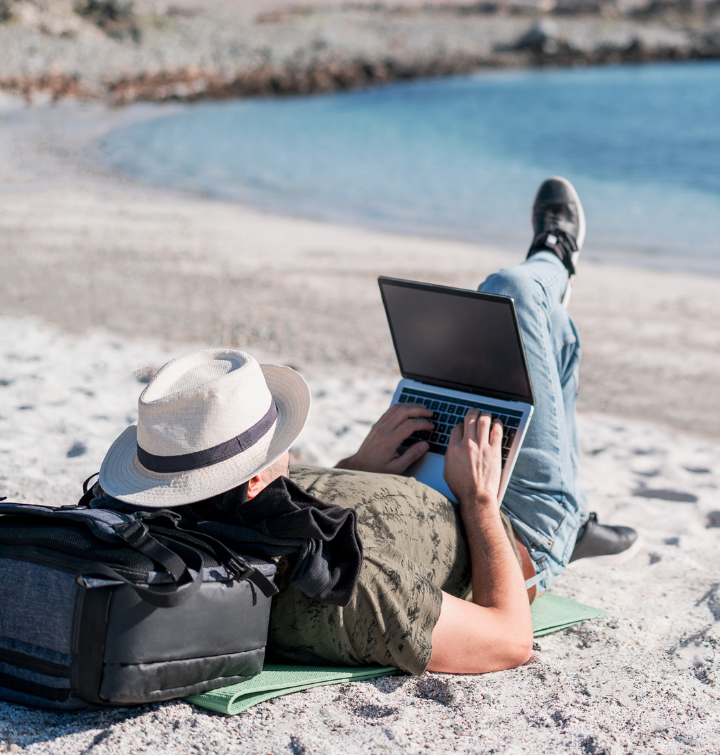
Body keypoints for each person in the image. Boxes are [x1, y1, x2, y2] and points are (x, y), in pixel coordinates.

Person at [89, 178, 636, 675]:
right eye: (274, 435)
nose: (286, 442)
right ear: (254, 479)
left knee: (534, 335)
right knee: (515, 293)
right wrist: (480, 503)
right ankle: (554, 257)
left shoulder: (197, 518)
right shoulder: (348, 580)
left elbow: (284, 500)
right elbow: (509, 640)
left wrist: (357, 468)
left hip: (429, 481)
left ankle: (553, 293)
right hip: (516, 527)